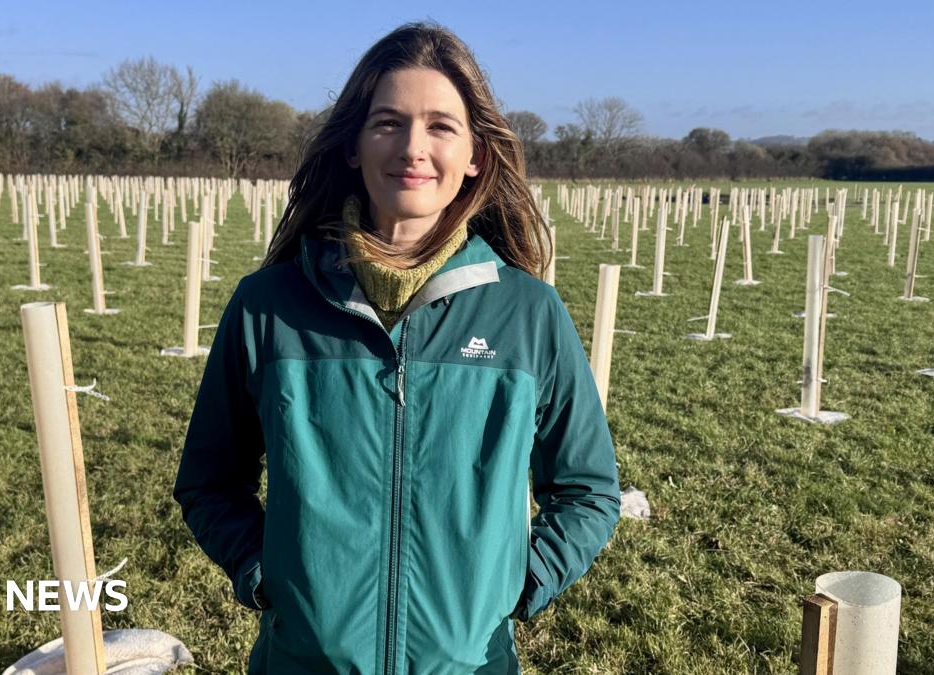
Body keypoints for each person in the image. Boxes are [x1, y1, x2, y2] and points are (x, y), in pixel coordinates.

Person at [173, 21, 622, 674]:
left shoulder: (528, 314)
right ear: (354, 145)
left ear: (476, 154)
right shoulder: (268, 307)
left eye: (441, 125)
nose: (413, 147)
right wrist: (264, 569)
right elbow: (208, 480)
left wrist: (515, 583)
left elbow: (588, 488)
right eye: (388, 122)